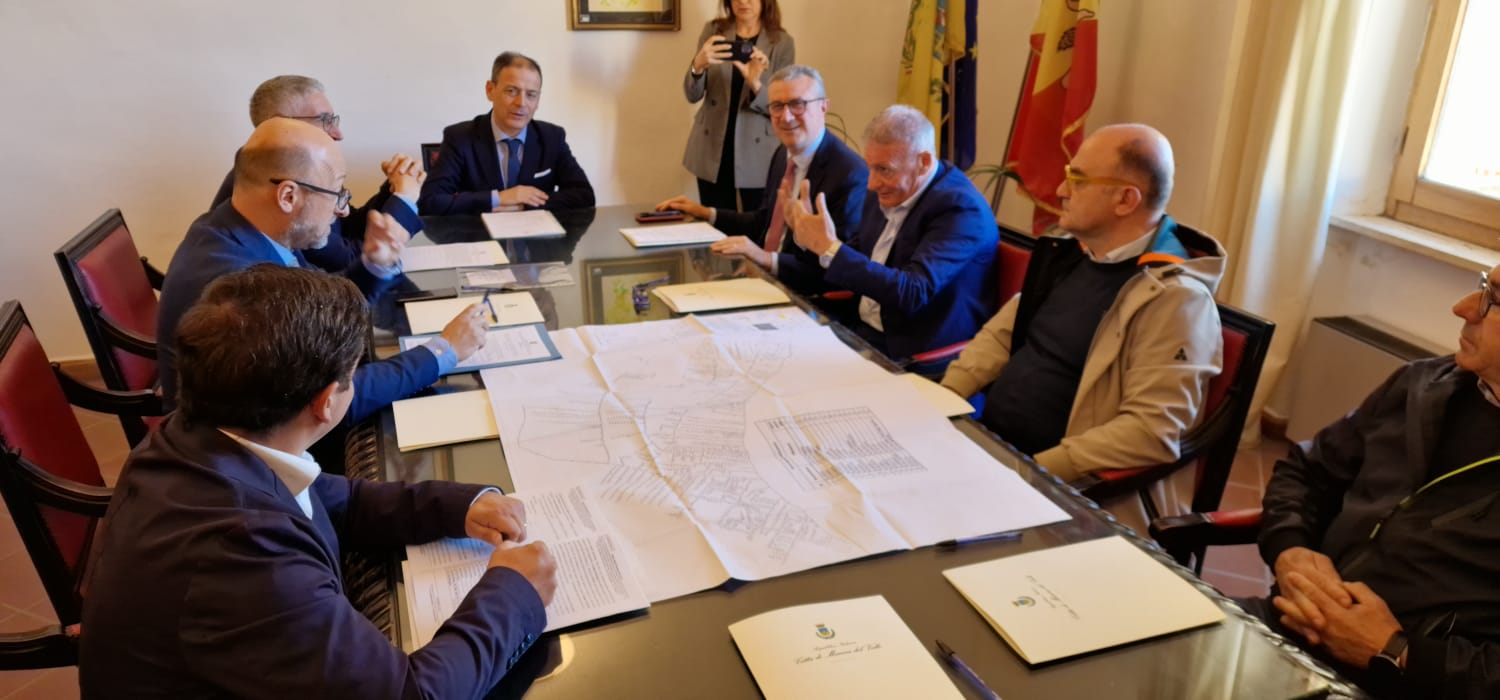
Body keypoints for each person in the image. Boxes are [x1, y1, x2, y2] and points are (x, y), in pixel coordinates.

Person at [80, 264, 558, 698]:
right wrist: (514, 594)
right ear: (327, 401)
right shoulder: (243, 551)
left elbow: (330, 497)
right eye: (353, 375)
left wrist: (458, 507)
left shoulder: (196, 432)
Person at [939, 124, 1223, 522]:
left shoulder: (1177, 299)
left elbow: (1152, 429)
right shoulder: (1073, 255)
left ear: (1126, 199)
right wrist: (943, 399)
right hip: (992, 450)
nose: (1060, 190)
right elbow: (1002, 336)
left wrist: (1034, 470)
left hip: (1064, 491)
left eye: (1078, 179)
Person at [1245, 267, 1500, 699]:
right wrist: (1290, 550)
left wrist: (1397, 653)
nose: (1463, 308)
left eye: (1495, 299)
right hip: (1290, 629)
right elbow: (1307, 472)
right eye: (1483, 287)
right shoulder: (1423, 383)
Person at [158, 118, 486, 422]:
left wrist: (375, 265)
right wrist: (443, 351)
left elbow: (320, 312)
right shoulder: (238, 285)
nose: (342, 212)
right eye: (336, 193)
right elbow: (324, 405)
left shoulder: (241, 228)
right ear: (288, 196)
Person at [784, 104, 997, 361]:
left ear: (923, 162)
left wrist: (829, 248)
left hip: (912, 351)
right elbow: (857, 259)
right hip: (860, 329)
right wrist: (813, 240)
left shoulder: (961, 209)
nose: (871, 183)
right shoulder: (887, 189)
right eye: (870, 167)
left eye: (884, 169)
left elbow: (912, 292)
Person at [657, 64, 866, 293]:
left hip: (806, 297)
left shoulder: (849, 173)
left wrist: (765, 258)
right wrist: (707, 213)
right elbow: (763, 222)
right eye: (777, 106)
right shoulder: (781, 155)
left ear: (823, 107)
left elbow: (837, 270)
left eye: (797, 104)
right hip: (763, 282)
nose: (786, 117)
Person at [209, 75, 426, 272]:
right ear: (280, 123)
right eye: (325, 120)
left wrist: (394, 187)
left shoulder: (303, 168)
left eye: (334, 120)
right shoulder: (280, 184)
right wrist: (404, 200)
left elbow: (350, 225)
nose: (338, 134)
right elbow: (348, 260)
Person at [420, 52, 595, 215]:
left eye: (531, 95)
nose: (521, 103)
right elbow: (431, 201)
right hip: (478, 235)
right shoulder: (459, 137)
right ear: (490, 90)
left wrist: (524, 203)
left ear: (538, 100)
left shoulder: (552, 137)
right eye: (511, 91)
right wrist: (498, 198)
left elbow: (584, 195)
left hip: (537, 235)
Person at [681, 0, 795, 212]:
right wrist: (698, 66)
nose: (743, 1)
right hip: (714, 145)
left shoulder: (782, 42)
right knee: (715, 222)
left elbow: (782, 107)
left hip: (758, 150)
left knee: (757, 224)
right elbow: (692, 95)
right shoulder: (714, 31)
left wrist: (755, 83)